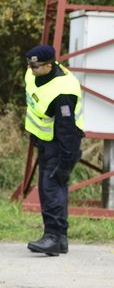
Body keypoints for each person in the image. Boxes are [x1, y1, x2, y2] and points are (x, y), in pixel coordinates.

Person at [23, 44, 83, 256]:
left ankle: (53, 238)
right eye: (29, 65)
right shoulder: (33, 73)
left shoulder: (63, 90)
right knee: (53, 189)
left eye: (36, 66)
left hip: (61, 144)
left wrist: (66, 161)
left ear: (49, 65)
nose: (31, 70)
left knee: (51, 190)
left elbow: (68, 130)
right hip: (45, 141)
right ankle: (61, 239)